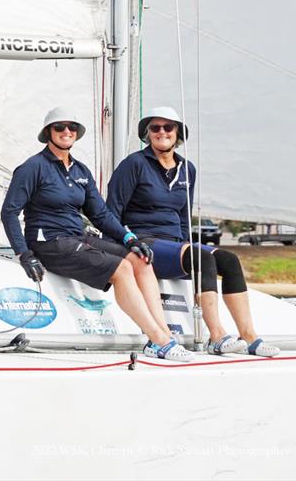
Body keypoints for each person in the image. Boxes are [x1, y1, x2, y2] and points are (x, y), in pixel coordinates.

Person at [1, 106, 193, 361]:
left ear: (77, 134)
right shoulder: (33, 167)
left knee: (141, 259)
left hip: (76, 238)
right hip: (49, 243)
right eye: (60, 127)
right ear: (48, 132)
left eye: (72, 127)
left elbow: (100, 214)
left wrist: (130, 239)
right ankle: (158, 340)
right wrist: (24, 254)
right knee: (123, 269)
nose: (66, 131)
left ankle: (162, 334)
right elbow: (9, 212)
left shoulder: (80, 170)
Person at [107, 107, 280, 357]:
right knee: (201, 256)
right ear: (147, 134)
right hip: (144, 241)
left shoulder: (188, 169)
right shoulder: (134, 164)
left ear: (177, 133)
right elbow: (112, 210)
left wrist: (185, 246)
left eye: (168, 127)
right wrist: (118, 248)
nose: (161, 132)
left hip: (175, 245)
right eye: (155, 128)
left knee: (229, 260)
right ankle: (217, 336)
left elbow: (184, 215)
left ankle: (249, 336)